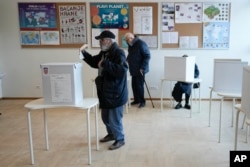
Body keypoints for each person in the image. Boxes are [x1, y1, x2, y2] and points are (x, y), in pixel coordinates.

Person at [79, 30, 128, 150]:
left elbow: (122, 70)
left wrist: (106, 63)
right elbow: (94, 62)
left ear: (108, 41)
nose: (100, 42)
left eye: (101, 40)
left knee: (114, 118)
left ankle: (120, 139)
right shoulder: (104, 52)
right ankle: (111, 134)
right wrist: (83, 53)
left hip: (115, 92)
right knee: (105, 117)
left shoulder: (118, 53)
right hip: (106, 92)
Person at [124, 32, 151, 108]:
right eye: (126, 40)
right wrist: (126, 60)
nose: (127, 41)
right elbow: (131, 54)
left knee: (139, 86)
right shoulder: (131, 45)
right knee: (134, 85)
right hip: (133, 69)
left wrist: (142, 67)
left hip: (140, 69)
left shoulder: (141, 44)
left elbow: (147, 56)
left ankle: (142, 101)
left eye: (128, 39)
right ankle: (137, 100)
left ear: (132, 38)